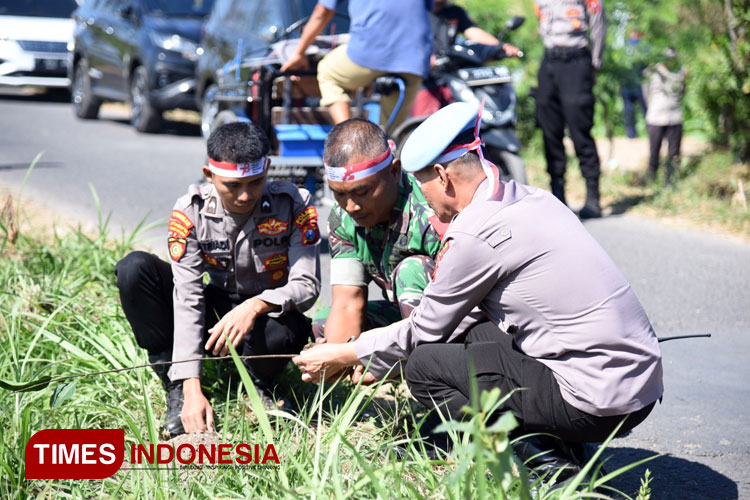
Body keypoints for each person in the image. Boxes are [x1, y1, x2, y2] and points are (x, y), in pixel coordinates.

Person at [293, 103, 663, 473]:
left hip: (596, 402)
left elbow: (425, 330)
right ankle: (551, 437)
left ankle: (541, 459)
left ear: (442, 177)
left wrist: (347, 355)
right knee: (480, 335)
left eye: (422, 184)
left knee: (425, 366)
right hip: (638, 387)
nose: (424, 197)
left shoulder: (472, 232)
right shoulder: (532, 198)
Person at [115, 122, 321, 437]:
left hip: (265, 316)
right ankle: (176, 386)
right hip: (213, 313)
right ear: (209, 175)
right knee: (134, 269)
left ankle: (260, 384)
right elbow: (188, 297)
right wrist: (192, 386)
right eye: (232, 185)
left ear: (267, 168)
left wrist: (254, 306)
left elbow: (306, 285)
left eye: (255, 182)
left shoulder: (293, 203)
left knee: (290, 328)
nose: (244, 195)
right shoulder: (190, 211)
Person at [315, 118, 470, 360]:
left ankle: (430, 373)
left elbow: (465, 301)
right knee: (325, 323)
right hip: (404, 317)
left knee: (411, 270)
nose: (351, 206)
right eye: (339, 194)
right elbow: (347, 302)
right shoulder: (342, 218)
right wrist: (334, 363)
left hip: (456, 323)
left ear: (395, 172)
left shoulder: (432, 211)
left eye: (362, 191)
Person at [279, 0, 432, 130]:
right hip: (415, 57)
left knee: (328, 72)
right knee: (391, 135)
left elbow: (322, 12)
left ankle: (349, 137)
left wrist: (299, 53)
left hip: (370, 49)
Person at [533, 0, 607, 218]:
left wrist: (594, 64)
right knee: (549, 131)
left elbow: (598, 26)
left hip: (576, 62)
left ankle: (593, 199)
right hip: (549, 62)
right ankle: (558, 197)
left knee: (580, 131)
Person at [411, 0, 521, 117]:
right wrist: (422, 59)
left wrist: (501, 47)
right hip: (425, 82)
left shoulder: (454, 11)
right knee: (426, 125)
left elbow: (473, 32)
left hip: (452, 78)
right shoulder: (414, 13)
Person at [643, 48, 687, 188]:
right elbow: (646, 94)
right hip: (655, 117)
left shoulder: (681, 72)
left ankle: (670, 181)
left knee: (674, 153)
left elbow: (682, 92)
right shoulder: (650, 73)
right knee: (654, 152)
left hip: (674, 117)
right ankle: (652, 180)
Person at [620, 29, 649, 139]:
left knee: (645, 110)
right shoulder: (625, 45)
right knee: (629, 112)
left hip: (640, 86)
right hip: (628, 86)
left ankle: (650, 133)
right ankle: (631, 135)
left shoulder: (643, 46)